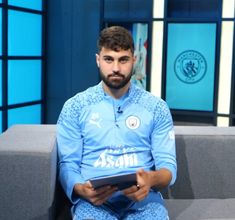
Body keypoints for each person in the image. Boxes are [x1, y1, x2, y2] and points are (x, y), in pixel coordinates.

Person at [57, 26, 177, 220]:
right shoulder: (75, 107)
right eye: (108, 59)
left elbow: (168, 168)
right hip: (93, 204)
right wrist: (81, 189)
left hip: (144, 202)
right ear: (98, 60)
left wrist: (150, 179)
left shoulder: (157, 107)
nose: (115, 68)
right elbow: (68, 164)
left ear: (134, 60)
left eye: (123, 60)